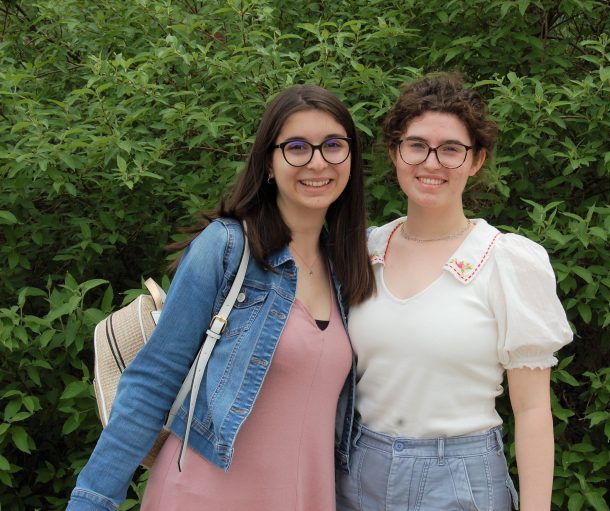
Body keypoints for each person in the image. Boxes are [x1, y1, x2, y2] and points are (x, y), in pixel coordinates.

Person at [67, 84, 375, 511]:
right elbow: (153, 379)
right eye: (297, 147)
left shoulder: (348, 267)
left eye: (333, 145)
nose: (317, 161)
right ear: (268, 163)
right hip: (205, 495)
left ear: (351, 158)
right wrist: (92, 501)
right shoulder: (228, 248)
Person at [336, 74, 573, 511]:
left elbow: (534, 412)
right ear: (395, 152)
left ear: (476, 160)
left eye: (451, 149)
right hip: (358, 476)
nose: (432, 163)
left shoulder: (506, 262)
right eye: (417, 145)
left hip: (461, 482)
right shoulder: (364, 250)